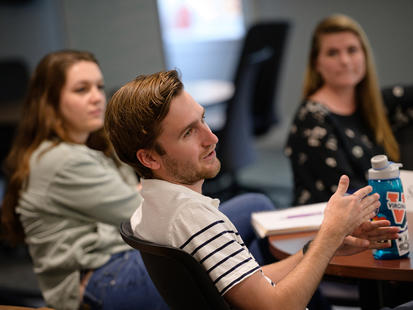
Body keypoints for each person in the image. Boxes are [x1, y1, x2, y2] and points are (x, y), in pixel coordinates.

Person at [104, 69, 402, 310]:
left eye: (203, 120)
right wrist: (330, 235)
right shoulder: (194, 219)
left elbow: (247, 284)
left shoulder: (152, 207)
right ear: (149, 157)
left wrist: (321, 247)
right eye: (188, 133)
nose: (212, 138)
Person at [0, 50, 275, 310]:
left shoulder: (89, 147)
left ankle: (266, 293)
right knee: (254, 208)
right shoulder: (60, 160)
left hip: (119, 262)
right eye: (81, 90)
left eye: (98, 86)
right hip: (102, 279)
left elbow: (144, 201)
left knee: (240, 250)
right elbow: (142, 209)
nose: (97, 97)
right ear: (49, 102)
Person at [284, 14, 413, 206]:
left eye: (352, 50)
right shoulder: (312, 119)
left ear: (364, 55)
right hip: (330, 225)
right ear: (317, 63)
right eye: (332, 53)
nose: (344, 60)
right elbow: (347, 196)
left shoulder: (376, 103)